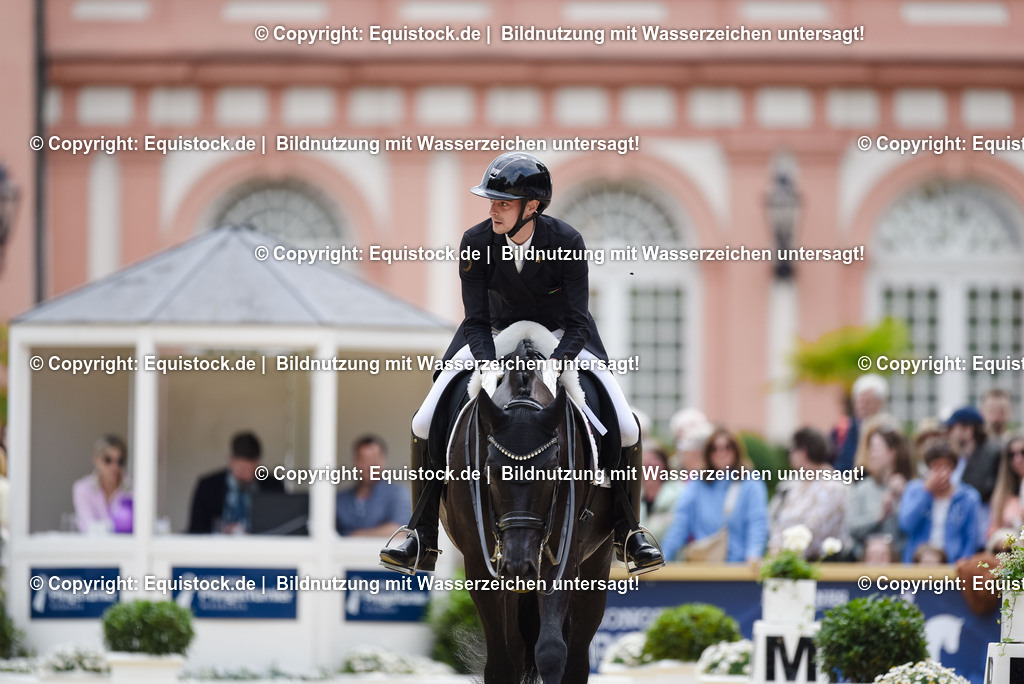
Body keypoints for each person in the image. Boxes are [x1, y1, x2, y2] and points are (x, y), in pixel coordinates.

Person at [380, 152, 663, 574]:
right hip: (493, 333)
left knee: (626, 426)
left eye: (503, 203)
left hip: (560, 335)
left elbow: (576, 322)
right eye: (491, 202)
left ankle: (628, 531)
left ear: (532, 207)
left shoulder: (566, 241)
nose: (493, 210)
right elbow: (476, 320)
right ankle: (421, 533)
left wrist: (556, 365)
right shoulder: (476, 242)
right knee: (423, 420)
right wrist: (487, 363)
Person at [660, 428, 768, 563]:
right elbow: (680, 524)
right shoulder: (697, 484)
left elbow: (757, 523)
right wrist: (663, 557)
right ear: (708, 453)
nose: (721, 453)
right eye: (714, 448)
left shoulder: (751, 484)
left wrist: (754, 554)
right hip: (704, 564)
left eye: (728, 447)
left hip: (739, 566)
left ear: (737, 451)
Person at [768, 427, 846, 559]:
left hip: (820, 562)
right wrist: (775, 548)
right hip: (785, 560)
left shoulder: (833, 487)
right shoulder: (789, 486)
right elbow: (775, 520)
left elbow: (816, 529)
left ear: (803, 452)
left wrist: (786, 551)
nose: (789, 455)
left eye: (791, 450)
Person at [898, 441, 981, 564]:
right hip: (917, 564)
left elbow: (971, 538)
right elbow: (906, 525)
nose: (941, 472)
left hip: (952, 565)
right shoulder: (914, 490)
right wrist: (926, 491)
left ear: (953, 468)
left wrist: (964, 562)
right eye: (936, 467)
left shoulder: (968, 497)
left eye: (945, 466)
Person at [187, 431, 283, 534]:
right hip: (217, 543)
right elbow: (196, 529)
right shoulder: (208, 487)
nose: (246, 475)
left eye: (250, 469)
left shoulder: (273, 486)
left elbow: (282, 527)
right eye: (241, 468)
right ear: (230, 461)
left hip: (260, 543)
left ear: (258, 463)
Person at [845, 423, 914, 560]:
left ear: (892, 452)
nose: (871, 455)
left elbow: (913, 530)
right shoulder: (862, 488)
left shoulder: (912, 488)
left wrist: (903, 499)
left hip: (901, 564)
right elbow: (851, 527)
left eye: (875, 449)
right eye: (870, 449)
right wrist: (879, 516)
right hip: (866, 564)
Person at [337, 435, 412, 537]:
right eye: (364, 460)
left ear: (383, 461)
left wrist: (355, 536)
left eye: (374, 460)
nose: (370, 466)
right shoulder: (339, 500)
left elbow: (400, 532)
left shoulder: (398, 494)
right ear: (355, 462)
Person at [72, 434, 132, 534]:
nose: (114, 467)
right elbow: (88, 526)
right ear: (96, 459)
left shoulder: (134, 489)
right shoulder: (82, 488)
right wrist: (119, 526)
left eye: (120, 461)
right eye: (108, 460)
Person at [834, 374, 889, 472]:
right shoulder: (843, 429)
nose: (862, 406)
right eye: (859, 401)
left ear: (880, 403)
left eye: (868, 402)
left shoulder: (888, 430)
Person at [986, 434, 1024, 545]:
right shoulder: (1001, 494)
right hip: (1008, 548)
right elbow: (993, 529)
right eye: (1012, 455)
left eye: (1023, 452)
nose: (1018, 459)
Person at [639, 446, 682, 541]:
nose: (649, 464)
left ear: (664, 464)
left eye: (654, 459)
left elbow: (677, 525)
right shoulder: (633, 497)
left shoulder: (679, 491)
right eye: (644, 461)